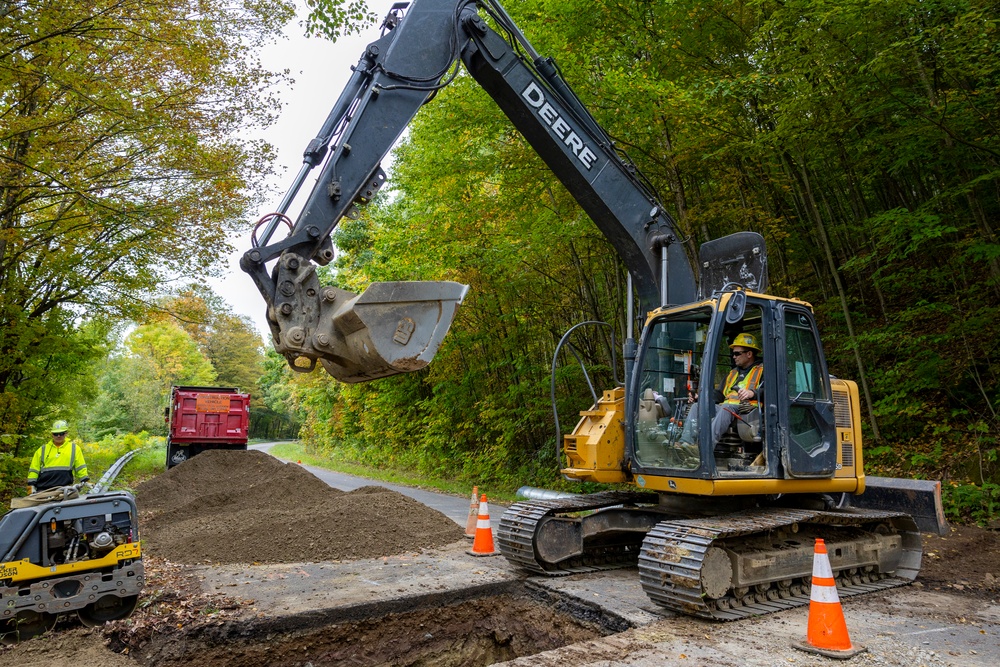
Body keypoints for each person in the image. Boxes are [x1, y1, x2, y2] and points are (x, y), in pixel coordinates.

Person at [710, 333, 764, 445]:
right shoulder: (733, 373)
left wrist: (752, 393)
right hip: (726, 409)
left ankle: (706, 447)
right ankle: (686, 444)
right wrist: (701, 397)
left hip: (747, 411)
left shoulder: (762, 370)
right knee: (698, 407)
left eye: (737, 353)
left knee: (726, 408)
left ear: (749, 354)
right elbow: (720, 393)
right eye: (733, 354)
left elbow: (773, 392)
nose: (734, 356)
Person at [26, 420, 89, 494]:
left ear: (66, 433)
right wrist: (31, 485)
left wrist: (85, 480)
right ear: (52, 434)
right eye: (56, 434)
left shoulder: (74, 448)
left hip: (65, 489)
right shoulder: (42, 450)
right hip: (43, 490)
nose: (58, 436)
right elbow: (34, 470)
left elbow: (80, 467)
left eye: (61, 433)